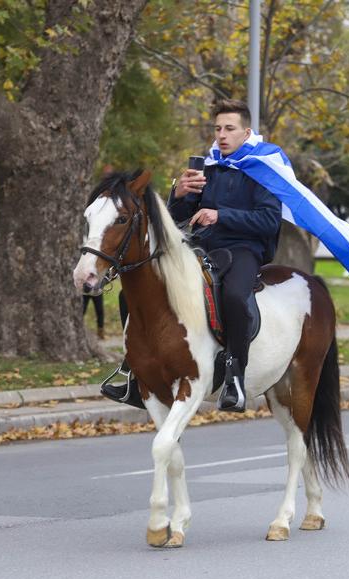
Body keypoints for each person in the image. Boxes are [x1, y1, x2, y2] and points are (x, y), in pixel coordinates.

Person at [102, 99, 281, 412]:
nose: (222, 135)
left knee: (235, 297)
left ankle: (235, 376)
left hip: (244, 248)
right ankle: (134, 369)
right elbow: (177, 216)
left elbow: (269, 220)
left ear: (246, 132)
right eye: (217, 129)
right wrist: (180, 193)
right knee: (136, 290)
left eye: (229, 129)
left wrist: (220, 215)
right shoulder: (207, 165)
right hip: (202, 245)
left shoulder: (264, 167)